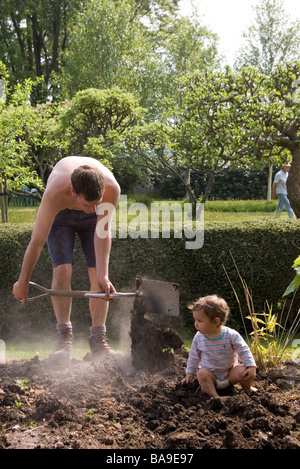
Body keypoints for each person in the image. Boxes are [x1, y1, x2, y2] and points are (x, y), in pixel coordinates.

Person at [13, 156, 121, 363]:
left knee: (97, 277)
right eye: (88, 204)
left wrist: (103, 275)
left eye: (95, 204)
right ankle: (64, 338)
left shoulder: (111, 190)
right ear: (73, 192)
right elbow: (36, 242)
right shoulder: (55, 194)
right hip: (61, 216)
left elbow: (103, 232)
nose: (91, 209)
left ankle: (99, 339)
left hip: (94, 224)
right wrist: (23, 281)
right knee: (62, 270)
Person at [181, 295, 257, 399]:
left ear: (216, 322)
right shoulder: (199, 338)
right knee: (201, 374)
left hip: (229, 374)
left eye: (199, 321)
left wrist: (251, 366)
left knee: (245, 370)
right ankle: (216, 397)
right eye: (195, 320)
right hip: (210, 376)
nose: (196, 324)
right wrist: (189, 373)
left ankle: (248, 389)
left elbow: (244, 350)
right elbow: (193, 357)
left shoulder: (231, 335)